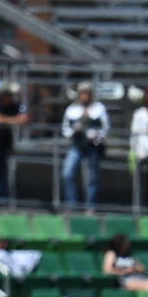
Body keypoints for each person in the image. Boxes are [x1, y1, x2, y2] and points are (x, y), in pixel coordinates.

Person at [57, 82, 109, 210]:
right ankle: (72, 204)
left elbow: (106, 127)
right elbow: (65, 129)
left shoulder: (99, 109)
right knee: (67, 174)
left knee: (92, 177)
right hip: (77, 144)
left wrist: (96, 135)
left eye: (87, 93)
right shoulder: (71, 110)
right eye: (82, 93)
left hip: (94, 144)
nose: (85, 96)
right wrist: (74, 131)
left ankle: (90, 206)